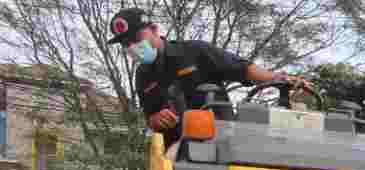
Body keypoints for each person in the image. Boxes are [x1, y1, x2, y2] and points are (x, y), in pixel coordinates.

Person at [108, 8, 309, 149]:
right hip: (175, 156)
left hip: (221, 143)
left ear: (154, 30)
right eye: (125, 44)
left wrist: (279, 78)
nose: (131, 47)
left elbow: (245, 69)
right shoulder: (142, 76)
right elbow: (149, 118)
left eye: (135, 39)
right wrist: (155, 119)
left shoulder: (196, 52)